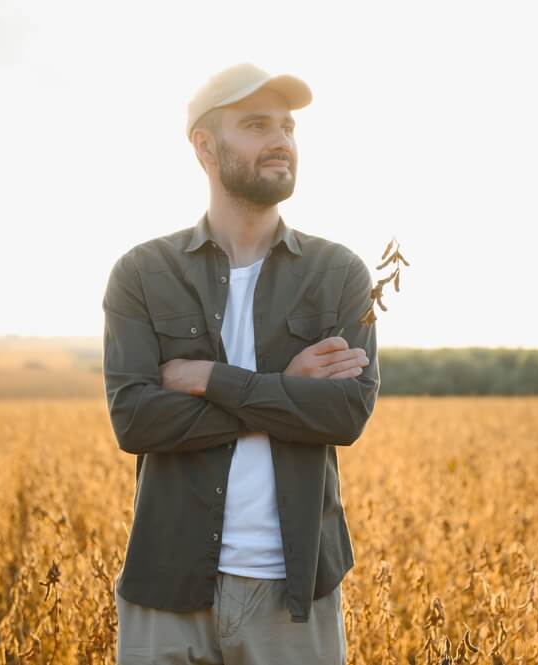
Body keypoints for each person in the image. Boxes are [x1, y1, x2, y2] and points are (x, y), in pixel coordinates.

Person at [101, 62, 380, 665]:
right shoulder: (143, 273)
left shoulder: (339, 275)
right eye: (256, 126)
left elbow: (346, 413)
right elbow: (135, 421)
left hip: (294, 593)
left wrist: (210, 382)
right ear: (205, 147)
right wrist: (284, 393)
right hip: (167, 587)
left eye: (287, 126)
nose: (281, 140)